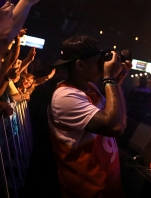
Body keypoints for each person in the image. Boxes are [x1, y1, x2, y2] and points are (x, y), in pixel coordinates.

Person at [47, 35, 131, 198]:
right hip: (87, 191)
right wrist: (109, 79)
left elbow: (121, 121)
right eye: (97, 61)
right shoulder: (65, 96)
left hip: (108, 188)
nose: (102, 65)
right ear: (79, 65)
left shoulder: (90, 88)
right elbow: (114, 127)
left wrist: (117, 82)